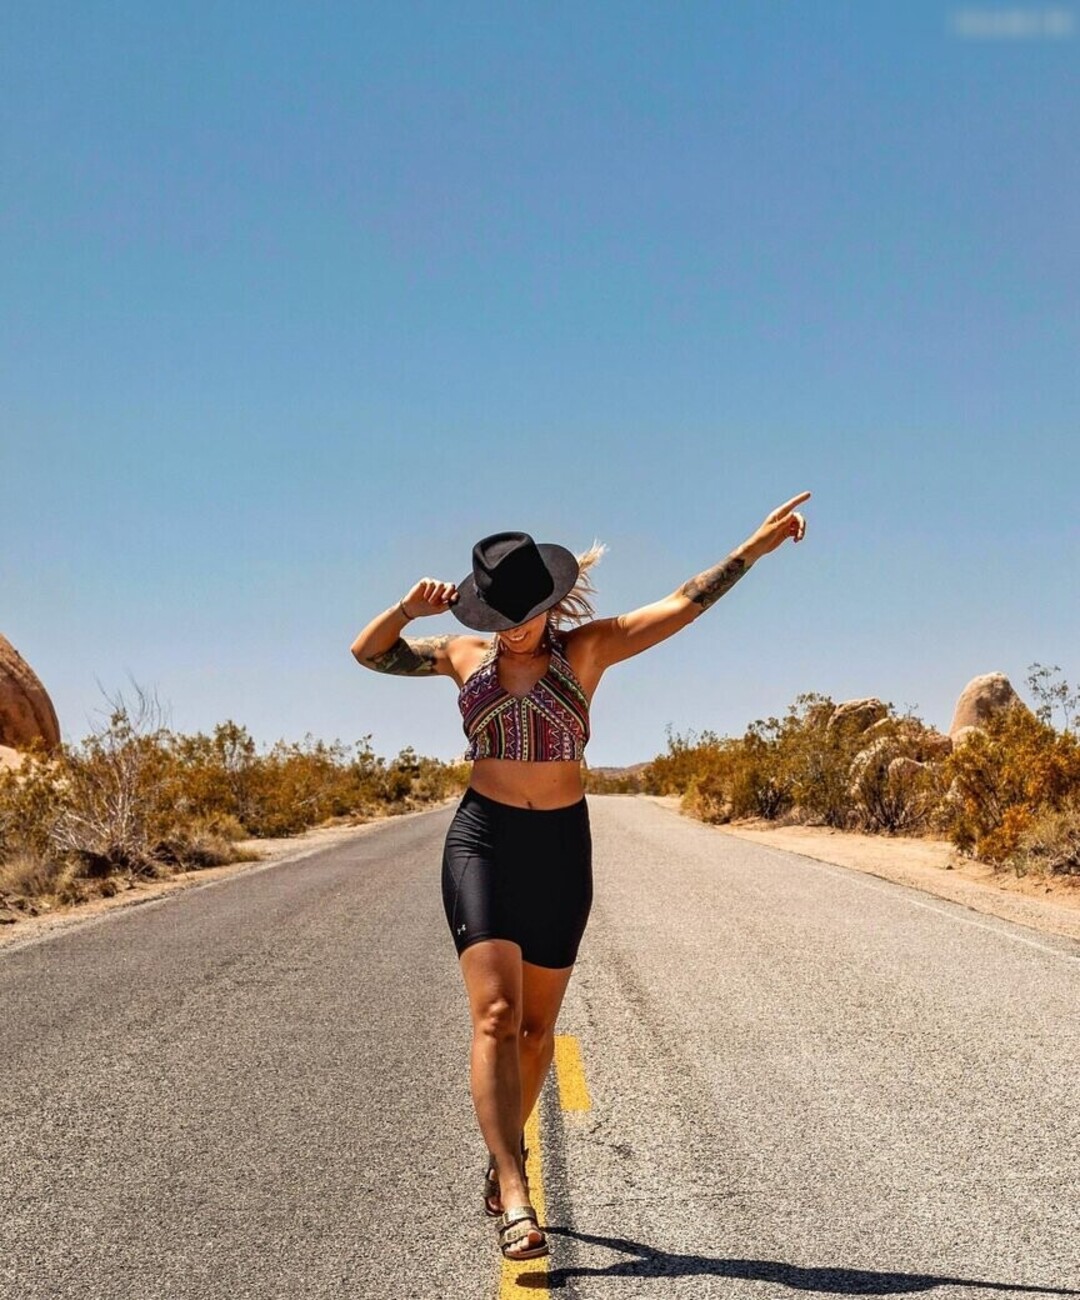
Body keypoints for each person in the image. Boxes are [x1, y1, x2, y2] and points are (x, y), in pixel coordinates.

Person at [349, 493, 810, 1262]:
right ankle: (514, 1187)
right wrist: (404, 609)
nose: (515, 628)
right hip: (483, 839)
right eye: (501, 615)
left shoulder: (587, 650)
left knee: (536, 1032)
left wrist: (752, 549)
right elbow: (368, 653)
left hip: (560, 848)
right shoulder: (460, 656)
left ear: (549, 602)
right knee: (496, 1016)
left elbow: (684, 603)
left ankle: (503, 1152)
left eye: (526, 613)